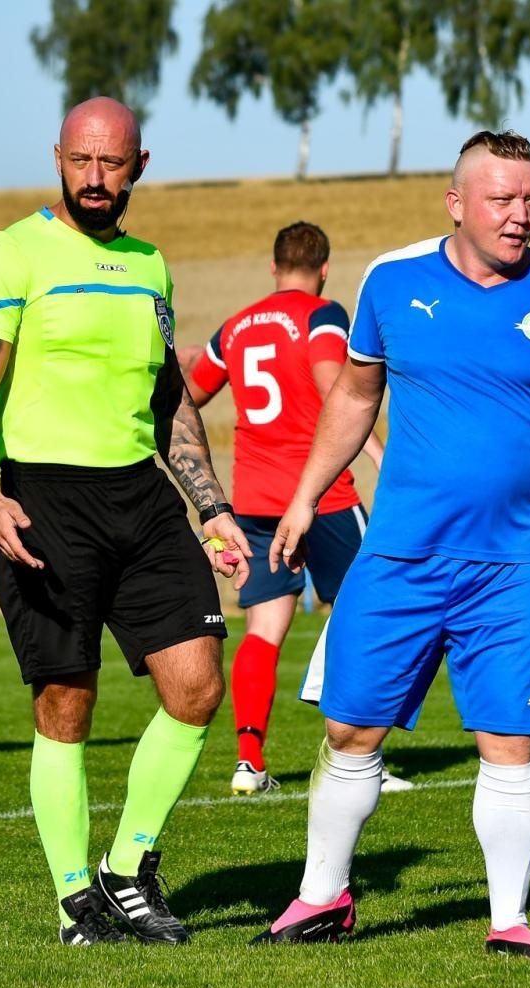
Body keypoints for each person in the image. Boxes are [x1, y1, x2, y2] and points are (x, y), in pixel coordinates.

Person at [251, 130, 530, 957]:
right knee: (351, 731)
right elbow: (354, 397)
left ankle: (509, 921)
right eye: (502, 200)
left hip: (517, 563)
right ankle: (321, 900)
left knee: (508, 740)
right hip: (400, 557)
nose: (519, 215)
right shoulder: (393, 280)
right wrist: (307, 496)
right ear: (456, 203)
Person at [0, 96, 249, 946]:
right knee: (65, 703)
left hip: (144, 498)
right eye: (81, 161)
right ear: (57, 160)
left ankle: (128, 871)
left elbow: (168, 396)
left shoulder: (151, 264)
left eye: (111, 163)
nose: (94, 178)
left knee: (196, 687)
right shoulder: (7, 254)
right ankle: (76, 897)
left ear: (138, 167)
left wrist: (212, 504)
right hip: (45, 498)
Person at [178, 221, 384, 795]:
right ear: (324, 269)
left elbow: (190, 395)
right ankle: (360, 759)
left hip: (255, 503)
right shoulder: (323, 315)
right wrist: (376, 452)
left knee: (264, 629)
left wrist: (176, 361)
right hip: (323, 496)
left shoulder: (237, 326)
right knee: (365, 618)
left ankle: (249, 761)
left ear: (273, 268)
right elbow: (334, 386)